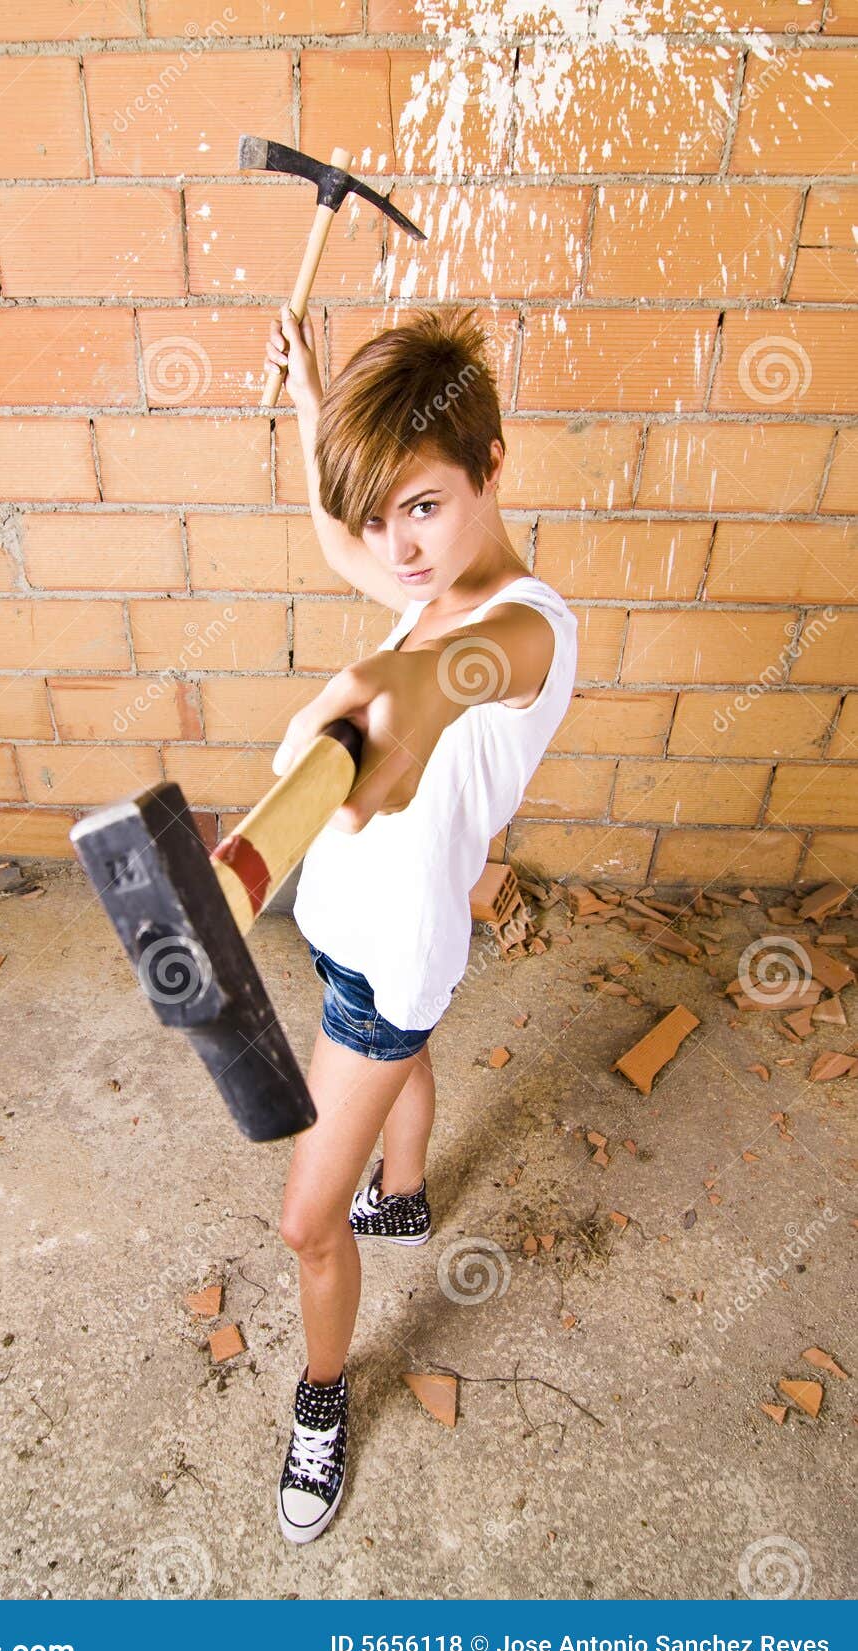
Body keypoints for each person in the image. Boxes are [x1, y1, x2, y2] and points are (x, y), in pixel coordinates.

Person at [262, 303, 579, 1545]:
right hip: (377, 932)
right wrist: (309, 411)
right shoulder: (420, 574)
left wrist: (392, 689)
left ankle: (324, 1394)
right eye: (378, 510)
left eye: (425, 505)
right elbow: (344, 544)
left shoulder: (525, 628)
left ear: (493, 469)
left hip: (389, 963)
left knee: (300, 1219)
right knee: (405, 1047)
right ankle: (401, 1199)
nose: (394, 547)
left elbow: (459, 671)